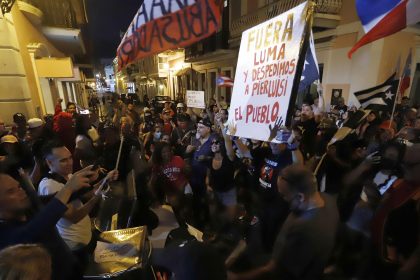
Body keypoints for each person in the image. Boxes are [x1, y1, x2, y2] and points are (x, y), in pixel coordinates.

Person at [228, 164, 339, 280]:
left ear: (301, 197)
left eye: (285, 196)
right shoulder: (328, 200)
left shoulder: (305, 229)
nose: (283, 199)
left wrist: (237, 277)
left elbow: (274, 270)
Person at [0, 166, 96, 280]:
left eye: (19, 186)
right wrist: (69, 187)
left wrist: (88, 182)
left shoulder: (28, 207)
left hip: (70, 267)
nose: (21, 191)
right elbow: (36, 228)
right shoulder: (4, 233)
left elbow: (52, 200)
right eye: (11, 191)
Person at [38, 140, 117, 270]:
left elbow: (83, 196)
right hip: (75, 245)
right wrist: (98, 195)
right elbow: (74, 216)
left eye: (70, 158)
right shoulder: (49, 186)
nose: (69, 163)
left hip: (85, 236)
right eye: (63, 160)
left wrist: (105, 180)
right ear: (49, 162)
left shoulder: (68, 176)